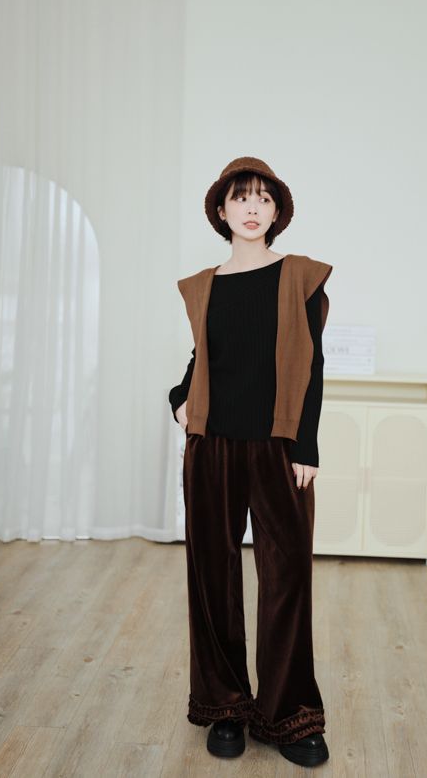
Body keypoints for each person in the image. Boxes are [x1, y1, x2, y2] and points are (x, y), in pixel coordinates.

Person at [169, 156, 333, 768]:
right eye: (241, 197)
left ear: (277, 212)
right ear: (221, 210)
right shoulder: (202, 285)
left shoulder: (301, 277)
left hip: (278, 448)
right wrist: (178, 399)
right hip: (211, 445)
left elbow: (313, 366)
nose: (253, 207)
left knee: (286, 579)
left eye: (264, 198)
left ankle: (290, 715)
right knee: (212, 577)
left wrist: (306, 446)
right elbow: (203, 357)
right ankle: (225, 707)